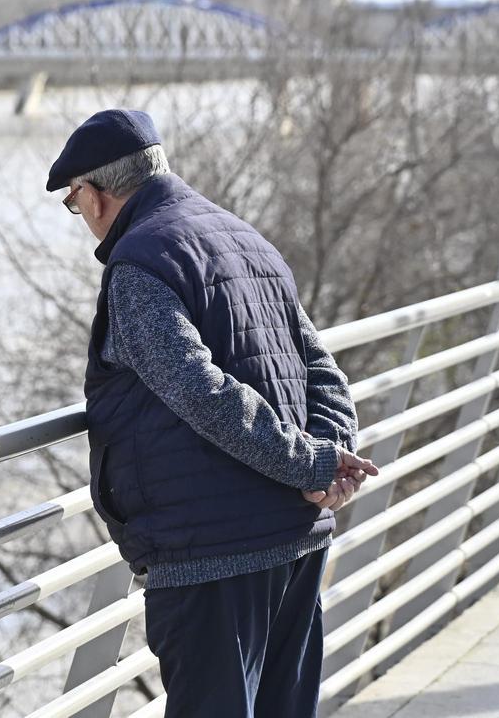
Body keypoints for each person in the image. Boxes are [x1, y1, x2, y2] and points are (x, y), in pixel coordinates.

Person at [47, 109, 378, 718]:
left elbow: (201, 391)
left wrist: (312, 466)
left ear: (93, 196)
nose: (81, 218)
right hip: (296, 542)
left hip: (211, 553)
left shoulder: (140, 265)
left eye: (74, 204)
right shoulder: (246, 239)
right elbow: (324, 371)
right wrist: (327, 463)